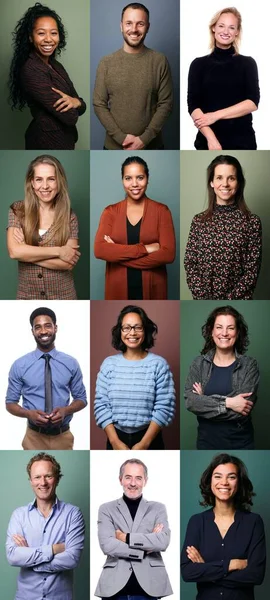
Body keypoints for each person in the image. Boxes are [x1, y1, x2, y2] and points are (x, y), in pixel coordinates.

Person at [181, 453, 266, 600]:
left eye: (231, 477)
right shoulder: (197, 522)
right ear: (210, 481)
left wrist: (207, 570)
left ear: (239, 483)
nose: (224, 482)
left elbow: (256, 575)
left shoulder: (254, 522)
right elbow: (188, 572)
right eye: (218, 476)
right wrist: (230, 565)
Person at [93, 3, 173, 150]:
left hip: (152, 147)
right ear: (121, 26)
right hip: (113, 147)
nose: (134, 29)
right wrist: (121, 138)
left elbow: (166, 104)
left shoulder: (159, 61)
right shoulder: (106, 62)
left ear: (148, 27)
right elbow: (99, 104)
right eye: (129, 23)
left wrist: (144, 139)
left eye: (140, 24)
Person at [94, 305, 176, 450]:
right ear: (120, 331)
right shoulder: (109, 364)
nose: (132, 332)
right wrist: (114, 442)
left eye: (138, 327)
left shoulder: (159, 364)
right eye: (126, 327)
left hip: (150, 438)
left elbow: (164, 406)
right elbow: (101, 405)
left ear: (145, 330)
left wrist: (144, 443)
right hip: (115, 437)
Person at [94, 156, 176, 299]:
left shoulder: (162, 211)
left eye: (140, 177)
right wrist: (145, 249)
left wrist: (117, 255)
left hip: (153, 289)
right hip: (117, 288)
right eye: (128, 178)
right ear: (122, 180)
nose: (134, 184)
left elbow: (168, 254)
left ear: (147, 179)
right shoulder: (110, 212)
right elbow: (100, 250)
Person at [5, 306, 87, 450]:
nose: (43, 331)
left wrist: (65, 411)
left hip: (63, 437)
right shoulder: (20, 365)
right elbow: (10, 403)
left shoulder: (71, 363)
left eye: (47, 326)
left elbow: (82, 399)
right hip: (33, 438)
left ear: (55, 328)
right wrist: (28, 414)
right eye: (38, 327)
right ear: (32, 332)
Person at [6, 452, 85, 600]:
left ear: (57, 479)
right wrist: (54, 549)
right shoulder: (19, 515)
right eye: (37, 477)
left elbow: (72, 558)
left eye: (48, 476)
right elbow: (13, 556)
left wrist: (30, 558)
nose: (43, 483)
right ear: (31, 481)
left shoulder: (73, 514)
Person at [8, 3, 86, 149]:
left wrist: (77, 102)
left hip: (66, 141)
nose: (49, 39)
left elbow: (81, 105)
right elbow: (71, 117)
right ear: (31, 37)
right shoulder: (30, 70)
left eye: (54, 33)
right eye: (41, 33)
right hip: (45, 142)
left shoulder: (56, 65)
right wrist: (76, 103)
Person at [184, 155, 262, 300]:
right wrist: (204, 299)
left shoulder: (252, 222)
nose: (225, 184)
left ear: (238, 183)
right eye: (219, 177)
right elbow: (190, 263)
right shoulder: (199, 221)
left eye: (231, 178)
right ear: (212, 182)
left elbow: (252, 271)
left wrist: (230, 299)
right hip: (203, 300)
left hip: (239, 301)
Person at [95, 458, 173, 599]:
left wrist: (125, 538)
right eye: (128, 477)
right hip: (113, 588)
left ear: (145, 481)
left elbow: (163, 541)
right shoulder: (106, 509)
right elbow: (107, 545)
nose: (132, 483)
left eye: (138, 478)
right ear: (120, 479)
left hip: (150, 587)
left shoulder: (158, 508)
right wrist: (145, 549)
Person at [184, 305, 259, 450]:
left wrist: (204, 400)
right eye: (219, 327)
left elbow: (243, 409)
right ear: (211, 331)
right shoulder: (199, 364)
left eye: (230, 328)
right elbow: (191, 402)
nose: (224, 333)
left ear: (237, 332)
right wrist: (230, 402)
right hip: (206, 442)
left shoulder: (249, 365)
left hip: (241, 444)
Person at [7, 154, 81, 300]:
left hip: (64, 297)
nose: (45, 186)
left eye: (51, 179)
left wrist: (26, 253)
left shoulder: (69, 216)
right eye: (39, 179)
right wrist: (59, 251)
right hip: (26, 296)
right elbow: (14, 252)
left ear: (59, 182)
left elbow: (68, 263)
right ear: (32, 183)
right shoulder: (17, 210)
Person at [187, 7, 260, 150]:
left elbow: (252, 102)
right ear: (213, 27)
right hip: (207, 141)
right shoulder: (198, 64)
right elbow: (193, 106)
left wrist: (215, 115)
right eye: (221, 26)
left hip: (243, 141)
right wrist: (212, 139)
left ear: (237, 31)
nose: (226, 32)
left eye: (231, 27)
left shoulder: (248, 63)